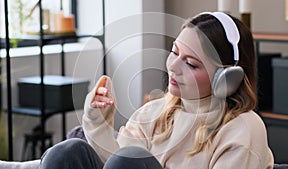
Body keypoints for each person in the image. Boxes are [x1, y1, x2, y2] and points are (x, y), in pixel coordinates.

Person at [1, 11, 274, 169]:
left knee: (130, 160)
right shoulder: (156, 111)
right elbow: (112, 161)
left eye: (190, 63)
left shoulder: (242, 130)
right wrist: (98, 122)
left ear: (228, 77)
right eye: (174, 52)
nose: (172, 67)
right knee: (68, 152)